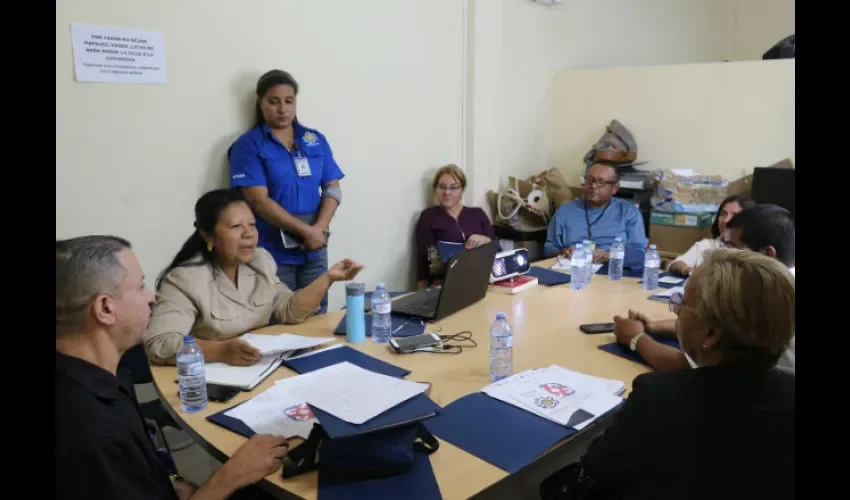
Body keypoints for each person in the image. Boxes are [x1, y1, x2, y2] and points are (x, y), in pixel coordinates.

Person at [543, 249, 795, 499]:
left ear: (711, 335)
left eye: (682, 304)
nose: (676, 312)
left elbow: (598, 471)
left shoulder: (659, 398)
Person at [57, 235, 290, 499]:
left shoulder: (105, 375)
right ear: (105, 308)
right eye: (140, 287)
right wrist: (231, 475)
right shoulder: (91, 430)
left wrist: (173, 482)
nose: (152, 297)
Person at [145, 189, 363, 366]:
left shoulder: (260, 261)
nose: (248, 234)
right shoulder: (184, 280)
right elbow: (160, 344)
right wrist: (220, 351)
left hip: (259, 367)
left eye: (252, 225)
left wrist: (328, 278)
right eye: (236, 227)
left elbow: (289, 310)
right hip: (207, 378)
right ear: (207, 236)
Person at [613, 204, 795, 373]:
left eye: (732, 248)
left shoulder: (772, 297)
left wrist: (636, 339)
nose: (723, 255)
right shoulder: (771, 284)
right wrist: (653, 326)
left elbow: (701, 370)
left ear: (767, 254)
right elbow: (718, 326)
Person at [229, 69, 344, 314]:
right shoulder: (248, 146)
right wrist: (307, 232)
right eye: (274, 102)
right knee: (279, 317)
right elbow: (259, 202)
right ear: (260, 103)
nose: (282, 109)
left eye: (289, 101)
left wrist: (318, 229)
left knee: (316, 315)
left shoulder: (314, 139)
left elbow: (333, 188)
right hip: (272, 253)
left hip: (315, 249)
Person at [544, 160, 648, 267]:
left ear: (615, 188)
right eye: (589, 180)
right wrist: (564, 252)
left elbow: (639, 254)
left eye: (601, 182)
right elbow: (549, 248)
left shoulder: (629, 212)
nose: (593, 186)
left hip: (613, 270)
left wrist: (608, 256)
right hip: (573, 268)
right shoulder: (564, 212)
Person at [414, 164, 495, 289]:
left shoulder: (477, 214)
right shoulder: (428, 217)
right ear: (435, 189)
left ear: (462, 190)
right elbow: (423, 261)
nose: (447, 192)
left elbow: (497, 249)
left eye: (453, 187)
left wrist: (486, 240)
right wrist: (422, 294)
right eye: (442, 187)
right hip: (446, 283)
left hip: (483, 280)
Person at [666, 194, 755, 277]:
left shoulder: (754, 252)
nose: (726, 220)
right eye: (723, 214)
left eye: (734, 216)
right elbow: (675, 264)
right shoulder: (707, 245)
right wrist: (691, 271)